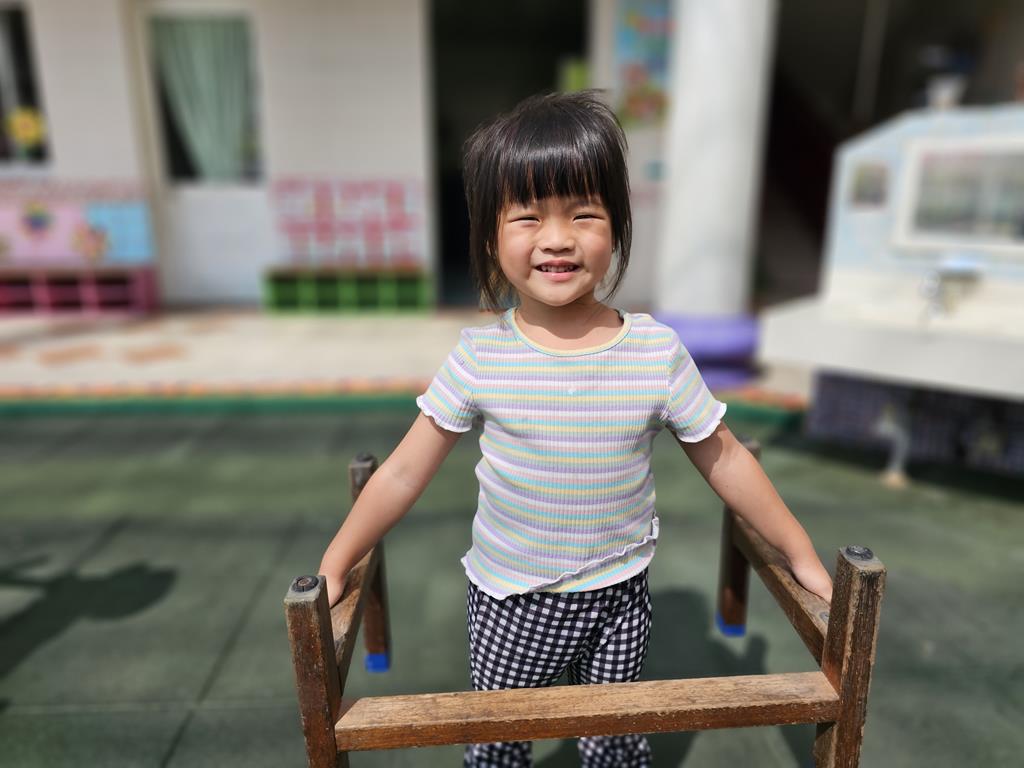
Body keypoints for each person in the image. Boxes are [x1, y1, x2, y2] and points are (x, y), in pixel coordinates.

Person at [318, 90, 833, 767]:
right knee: (498, 745)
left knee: (612, 744)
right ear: (491, 237)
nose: (557, 238)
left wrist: (799, 552)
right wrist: (335, 563)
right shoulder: (481, 357)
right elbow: (405, 472)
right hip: (509, 601)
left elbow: (727, 459)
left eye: (583, 213)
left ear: (616, 228)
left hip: (620, 595)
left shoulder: (654, 352)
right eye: (528, 216)